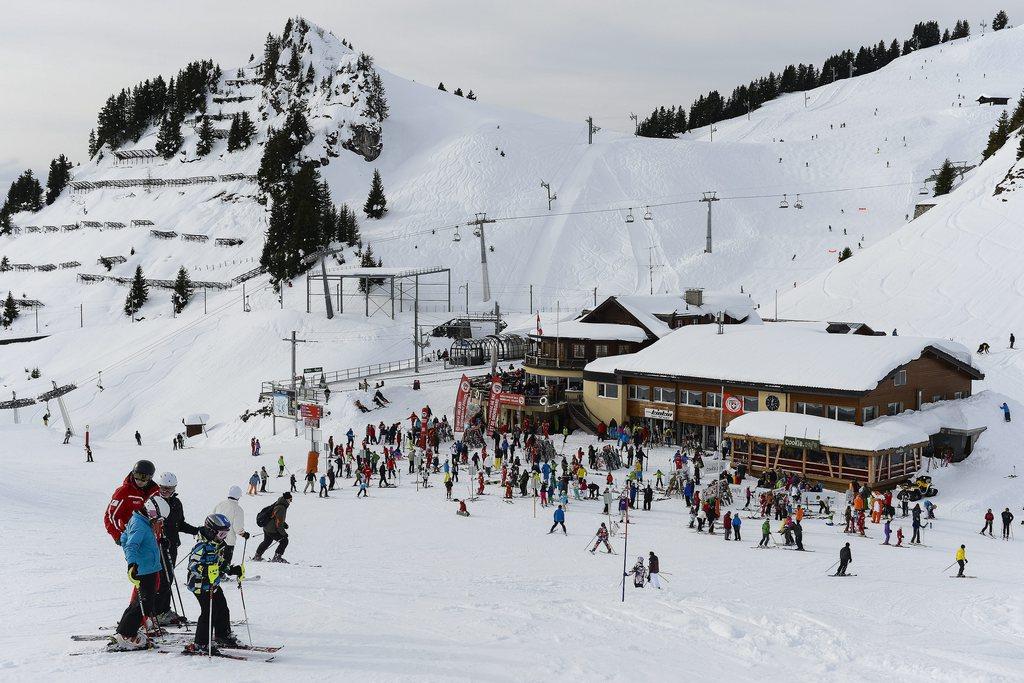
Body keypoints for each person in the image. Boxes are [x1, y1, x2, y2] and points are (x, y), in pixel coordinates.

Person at [109, 496, 168, 650]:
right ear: (151, 511)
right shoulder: (140, 525)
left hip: (149, 566)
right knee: (142, 603)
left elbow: (125, 537)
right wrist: (132, 564)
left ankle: (129, 631)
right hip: (144, 569)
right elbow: (130, 545)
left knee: (144, 602)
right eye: (159, 518)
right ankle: (125, 634)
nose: (159, 521)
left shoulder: (141, 520)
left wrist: (159, 542)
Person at [182, 513, 244, 655]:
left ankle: (222, 635)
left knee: (222, 607)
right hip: (199, 585)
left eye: (226, 534)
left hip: (212, 584)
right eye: (221, 534)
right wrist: (205, 572)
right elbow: (193, 565)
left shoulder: (215, 544)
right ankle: (201, 644)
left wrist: (231, 569)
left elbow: (218, 562)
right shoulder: (201, 546)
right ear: (211, 531)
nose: (223, 537)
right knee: (208, 612)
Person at [155, 472, 197, 625]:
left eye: (170, 488)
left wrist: (197, 530)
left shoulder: (176, 503)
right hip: (157, 546)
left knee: (168, 578)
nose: (166, 491)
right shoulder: (154, 502)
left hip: (172, 546)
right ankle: (157, 612)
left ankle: (164, 610)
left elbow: (180, 524)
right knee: (161, 579)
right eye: (164, 488)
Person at [105, 460, 159, 544]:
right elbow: (110, 516)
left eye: (144, 477)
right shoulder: (124, 492)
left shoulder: (155, 492)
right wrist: (118, 536)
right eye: (137, 476)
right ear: (133, 473)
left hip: (151, 537)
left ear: (150, 478)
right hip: (132, 537)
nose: (140, 481)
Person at [212, 486, 249, 564]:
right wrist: (244, 534)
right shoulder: (238, 509)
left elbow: (213, 517)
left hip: (215, 537)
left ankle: (213, 574)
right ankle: (222, 574)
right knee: (225, 560)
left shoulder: (220, 504)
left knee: (214, 557)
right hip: (228, 539)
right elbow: (237, 527)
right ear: (238, 496)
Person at [253, 493, 291, 562]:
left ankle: (257, 556)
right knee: (284, 541)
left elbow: (275, 517)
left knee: (267, 541)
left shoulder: (278, 503)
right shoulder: (281, 507)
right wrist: (284, 533)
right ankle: (277, 557)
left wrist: (284, 524)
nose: (291, 501)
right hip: (271, 529)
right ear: (286, 499)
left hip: (266, 526)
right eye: (290, 500)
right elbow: (278, 523)